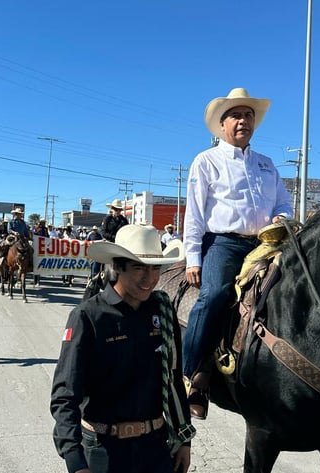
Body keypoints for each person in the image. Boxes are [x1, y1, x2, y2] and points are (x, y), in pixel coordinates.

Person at [182, 87, 293, 420]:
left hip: (266, 241)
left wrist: (282, 217)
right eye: (236, 115)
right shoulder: (206, 161)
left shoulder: (266, 164)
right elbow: (195, 213)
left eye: (248, 115)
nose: (243, 121)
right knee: (213, 295)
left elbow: (284, 202)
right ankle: (192, 376)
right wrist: (193, 257)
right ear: (222, 123)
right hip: (224, 242)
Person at [51, 224, 194, 473]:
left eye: (155, 268)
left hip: (155, 449)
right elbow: (65, 396)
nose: (150, 279)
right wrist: (75, 460)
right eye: (139, 267)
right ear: (117, 266)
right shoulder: (88, 316)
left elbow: (173, 380)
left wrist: (184, 439)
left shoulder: (162, 311)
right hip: (104, 452)